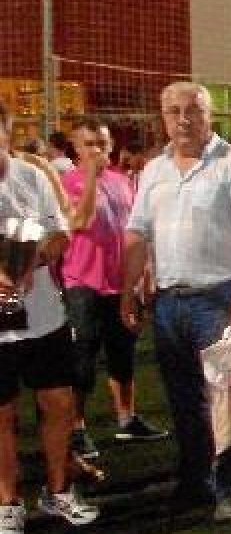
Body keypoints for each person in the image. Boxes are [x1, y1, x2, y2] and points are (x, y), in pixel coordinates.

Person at [121, 81, 231, 521]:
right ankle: (195, 481)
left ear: (209, 115)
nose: (183, 119)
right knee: (185, 402)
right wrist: (128, 289)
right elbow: (136, 233)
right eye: (174, 111)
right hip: (169, 305)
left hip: (220, 300)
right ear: (162, 116)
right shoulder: (154, 170)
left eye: (193, 110)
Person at [0, 103, 100, 532]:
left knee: (58, 402)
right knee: (1, 413)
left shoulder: (32, 176)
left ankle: (58, 490)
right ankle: (8, 500)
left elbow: (60, 232)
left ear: (6, 131)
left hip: (42, 314)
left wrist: (30, 262)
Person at [61, 118, 168, 465]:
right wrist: (91, 177)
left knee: (123, 353)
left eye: (102, 143)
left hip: (120, 283)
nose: (97, 150)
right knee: (83, 359)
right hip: (84, 284)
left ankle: (127, 418)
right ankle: (76, 427)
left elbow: (137, 232)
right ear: (75, 148)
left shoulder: (124, 183)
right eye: (89, 144)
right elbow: (81, 222)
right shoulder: (66, 182)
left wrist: (145, 275)